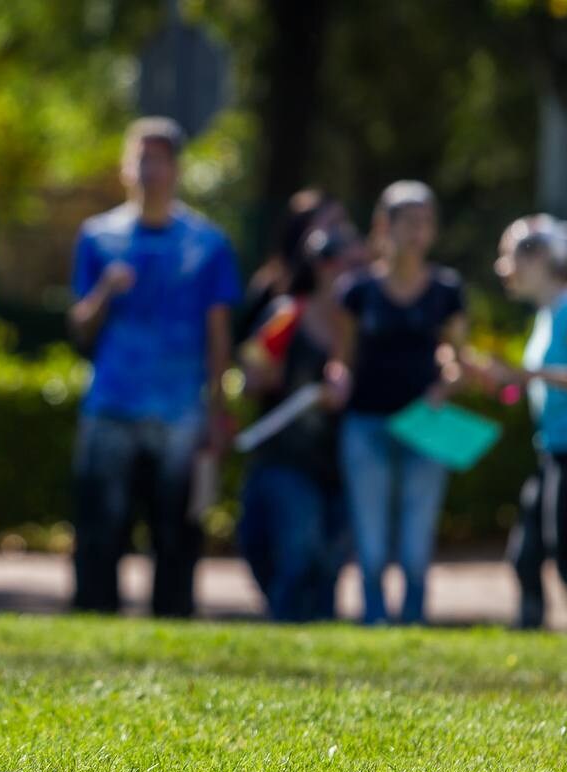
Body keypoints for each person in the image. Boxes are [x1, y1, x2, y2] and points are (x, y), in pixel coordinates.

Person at [66, 117, 239, 617]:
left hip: (181, 413)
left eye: (159, 159)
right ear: (125, 167)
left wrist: (218, 411)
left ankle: (173, 620)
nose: (149, 169)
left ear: (177, 169)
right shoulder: (98, 236)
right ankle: (94, 619)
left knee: (177, 532)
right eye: (140, 157)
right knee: (100, 529)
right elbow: (79, 326)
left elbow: (218, 333)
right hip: (111, 405)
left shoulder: (208, 243)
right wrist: (104, 293)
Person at [328, 181, 468, 626]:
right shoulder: (356, 291)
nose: (418, 232)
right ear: (384, 226)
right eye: (409, 222)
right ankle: (373, 622)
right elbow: (341, 359)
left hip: (424, 426)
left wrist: (443, 387)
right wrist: (337, 380)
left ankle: (412, 623)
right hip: (365, 425)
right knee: (370, 544)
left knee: (414, 543)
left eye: (426, 222)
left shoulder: (447, 290)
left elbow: (457, 361)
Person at [238, 227, 355, 622]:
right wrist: (266, 373)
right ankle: (286, 624)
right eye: (330, 260)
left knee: (329, 559)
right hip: (287, 459)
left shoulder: (358, 322)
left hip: (343, 462)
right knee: (298, 551)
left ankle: (320, 633)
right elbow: (251, 372)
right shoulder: (288, 315)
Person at [491, 216, 567, 632]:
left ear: (544, 258)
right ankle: (530, 624)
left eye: (513, 256)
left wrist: (534, 376)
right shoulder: (550, 314)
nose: (504, 267)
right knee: (527, 552)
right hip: (553, 450)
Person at [237, 189, 358, 343]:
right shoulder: (274, 292)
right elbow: (252, 352)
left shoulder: (354, 285)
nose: (344, 231)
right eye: (334, 223)